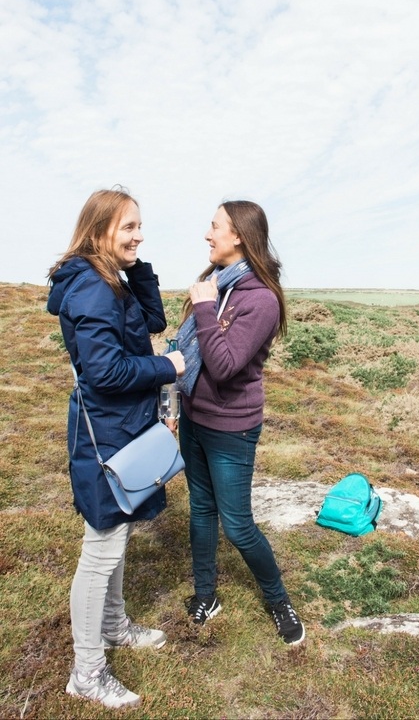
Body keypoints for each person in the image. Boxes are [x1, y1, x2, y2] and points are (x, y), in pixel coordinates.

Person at [47, 188, 186, 710]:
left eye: (140, 226)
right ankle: (87, 670)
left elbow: (151, 323)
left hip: (122, 425)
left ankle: (114, 624)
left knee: (117, 531)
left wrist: (136, 265)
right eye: (129, 227)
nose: (139, 234)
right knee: (100, 548)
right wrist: (166, 368)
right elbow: (104, 372)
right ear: (100, 228)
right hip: (105, 432)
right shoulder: (91, 287)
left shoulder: (110, 280)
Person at [176, 200, 305, 646]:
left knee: (237, 525)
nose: (207, 235)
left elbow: (226, 365)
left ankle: (278, 599)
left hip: (232, 428)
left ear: (238, 236)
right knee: (200, 510)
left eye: (214, 227)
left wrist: (206, 309)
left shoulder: (261, 300)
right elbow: (188, 352)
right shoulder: (212, 283)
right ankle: (206, 595)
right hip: (194, 417)